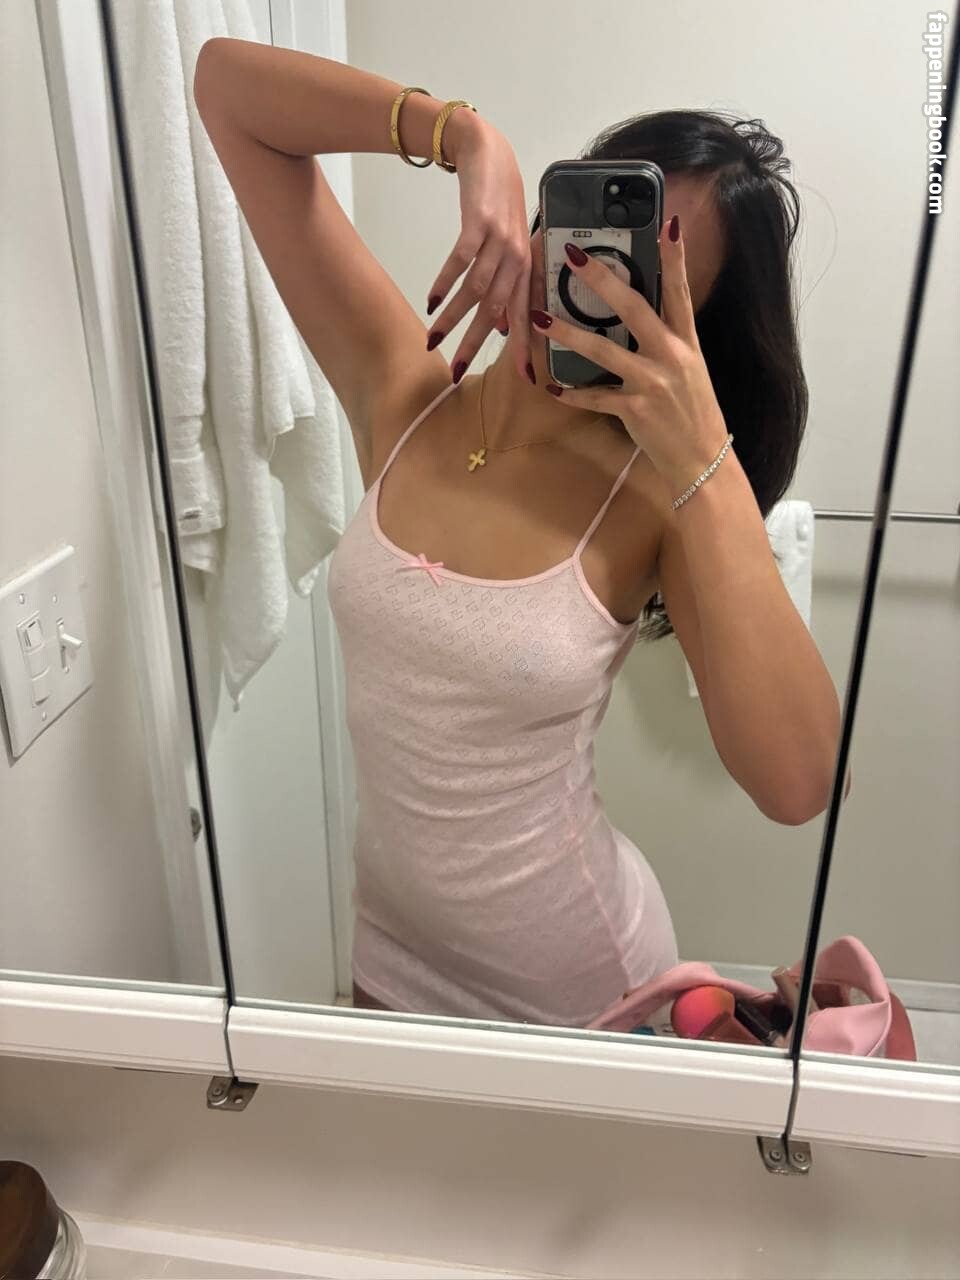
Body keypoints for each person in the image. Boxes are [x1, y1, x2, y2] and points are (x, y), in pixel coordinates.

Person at [193, 39, 850, 1027]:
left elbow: (798, 783)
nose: (588, 289)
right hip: (390, 948)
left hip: (580, 986)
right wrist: (458, 134)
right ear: (545, 221)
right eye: (589, 238)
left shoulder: (653, 500)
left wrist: (704, 456)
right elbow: (226, 90)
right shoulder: (406, 391)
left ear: (688, 336)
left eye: (642, 283)